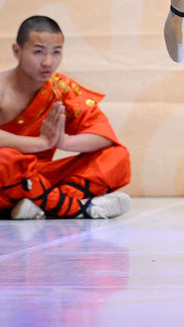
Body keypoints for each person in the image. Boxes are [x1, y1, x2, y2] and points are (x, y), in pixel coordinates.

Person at [1, 16, 132, 220]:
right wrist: (40, 143)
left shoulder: (61, 89)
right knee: (6, 160)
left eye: (56, 52)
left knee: (116, 156)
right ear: (17, 51)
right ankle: (77, 208)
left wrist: (63, 141)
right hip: (8, 175)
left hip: (38, 177)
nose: (48, 62)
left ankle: (42, 202)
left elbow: (103, 135)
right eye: (38, 52)